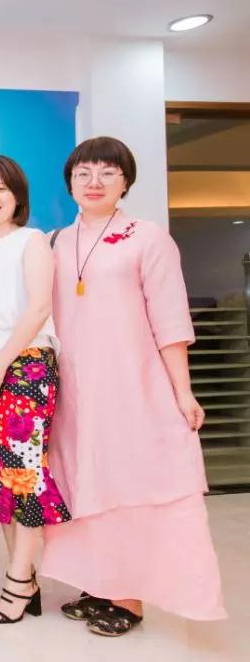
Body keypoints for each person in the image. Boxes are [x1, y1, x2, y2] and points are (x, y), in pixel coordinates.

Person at [41, 136, 227, 635]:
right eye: (83, 173)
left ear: (125, 182)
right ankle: (99, 582)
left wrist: (182, 392)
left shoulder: (148, 238)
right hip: (75, 393)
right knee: (84, 483)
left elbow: (171, 322)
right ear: (70, 183)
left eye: (108, 172)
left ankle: (130, 598)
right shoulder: (56, 241)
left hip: (133, 388)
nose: (94, 182)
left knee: (132, 486)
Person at [0, 155, 72, 624]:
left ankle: (16, 582)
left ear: (17, 196)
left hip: (25, 365)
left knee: (24, 474)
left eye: (0, 189)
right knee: (1, 479)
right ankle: (25, 580)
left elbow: (39, 308)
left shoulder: (33, 241)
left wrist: (1, 365)